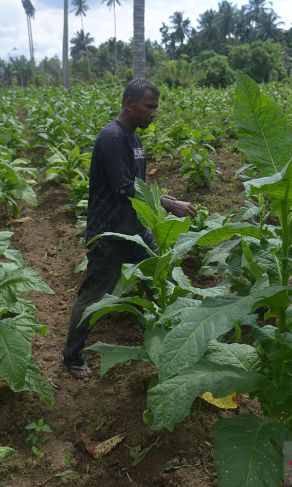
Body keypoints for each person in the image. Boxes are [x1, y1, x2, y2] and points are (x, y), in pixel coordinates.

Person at [62, 79, 196, 379]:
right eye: (149, 107)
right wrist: (169, 204)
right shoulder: (112, 137)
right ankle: (71, 357)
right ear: (129, 104)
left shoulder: (133, 138)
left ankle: (173, 345)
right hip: (110, 234)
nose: (153, 113)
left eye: (156, 108)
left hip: (135, 230)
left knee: (161, 279)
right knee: (94, 296)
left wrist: (169, 200)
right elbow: (124, 188)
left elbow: (139, 185)